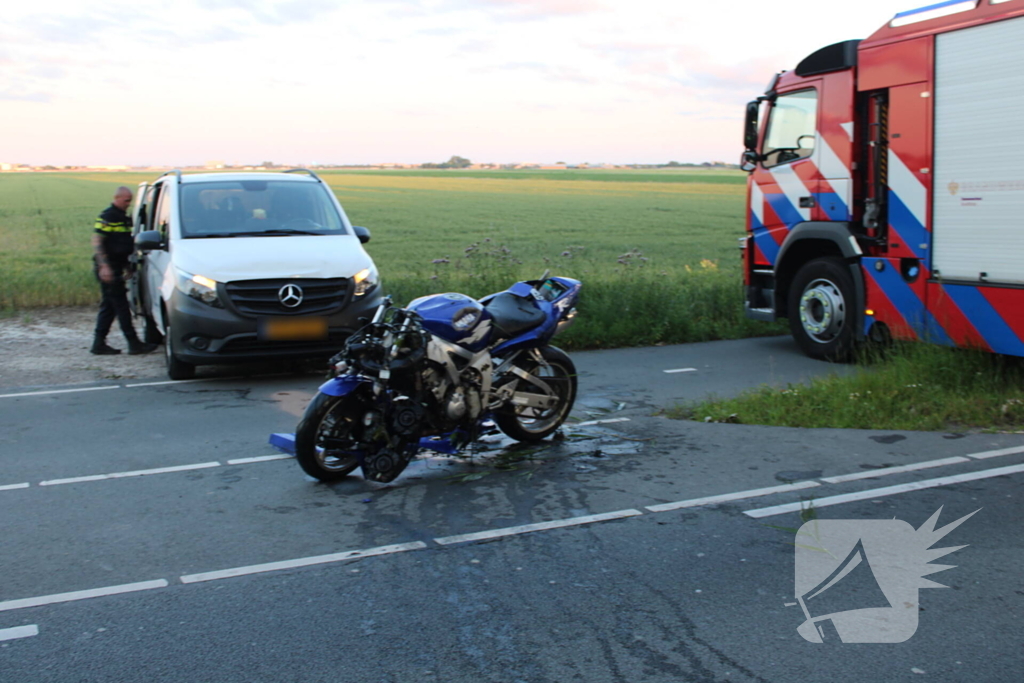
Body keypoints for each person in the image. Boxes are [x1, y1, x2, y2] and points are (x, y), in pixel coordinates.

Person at [91, 186, 158, 355]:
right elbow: (97, 241)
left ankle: (98, 344)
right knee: (121, 306)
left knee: (109, 306)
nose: (128, 204)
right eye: (126, 200)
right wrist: (104, 266)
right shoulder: (108, 216)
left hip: (118, 265)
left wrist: (128, 266)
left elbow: (124, 244)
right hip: (108, 267)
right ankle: (134, 343)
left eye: (130, 200)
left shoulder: (124, 218)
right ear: (117, 197)